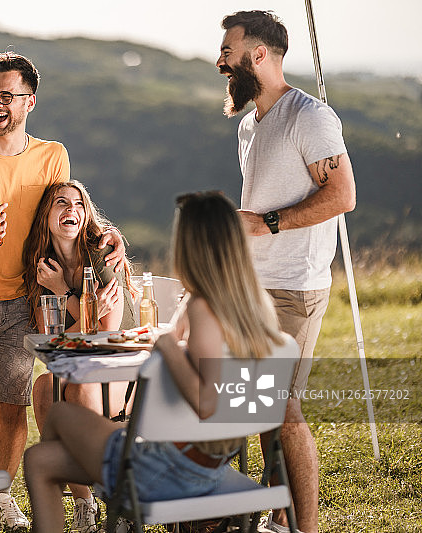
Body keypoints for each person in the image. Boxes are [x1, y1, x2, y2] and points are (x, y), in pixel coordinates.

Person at [0, 51, 126, 530]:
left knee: (14, 408)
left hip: (22, 301)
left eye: (7, 96)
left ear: (29, 101)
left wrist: (108, 235)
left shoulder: (52, 155)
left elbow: (69, 211)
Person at [24, 191, 286, 532]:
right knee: (45, 443)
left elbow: (207, 401)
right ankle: (90, 503)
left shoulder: (202, 308)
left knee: (52, 430)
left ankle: (107, 506)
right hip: (213, 462)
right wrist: (162, 338)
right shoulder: (255, 304)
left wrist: (166, 346)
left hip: (176, 468)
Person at [216, 11, 356, 533]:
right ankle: (279, 517)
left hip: (295, 287)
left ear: (259, 56)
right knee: (257, 405)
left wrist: (267, 223)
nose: (220, 61)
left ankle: (306, 526)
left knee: (282, 407)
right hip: (252, 286)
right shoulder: (251, 123)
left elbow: (342, 195)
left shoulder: (310, 116)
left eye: (228, 52)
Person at [22, 180, 137, 532]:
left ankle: (117, 499)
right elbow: (53, 344)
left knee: (80, 389)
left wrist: (64, 294)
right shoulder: (45, 267)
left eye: (78, 204)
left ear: (86, 214)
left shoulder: (101, 256)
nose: (71, 209)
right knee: (44, 387)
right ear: (47, 215)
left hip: (130, 372)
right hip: (86, 368)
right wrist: (74, 300)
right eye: (61, 203)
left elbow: (105, 336)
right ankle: (85, 502)